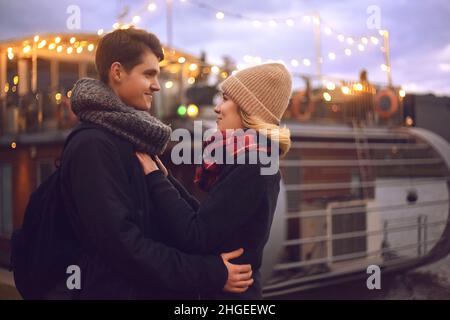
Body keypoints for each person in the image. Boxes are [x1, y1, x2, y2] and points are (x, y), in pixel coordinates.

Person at [52, 28, 253, 299]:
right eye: (148, 74)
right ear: (118, 72)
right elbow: (123, 248)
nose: (157, 85)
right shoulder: (93, 146)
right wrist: (208, 274)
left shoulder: (128, 135)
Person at [136, 63, 293, 299]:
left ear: (248, 109)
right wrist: (167, 179)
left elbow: (196, 235)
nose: (218, 108)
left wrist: (155, 179)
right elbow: (207, 220)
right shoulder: (251, 158)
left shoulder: (253, 165)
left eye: (227, 99)